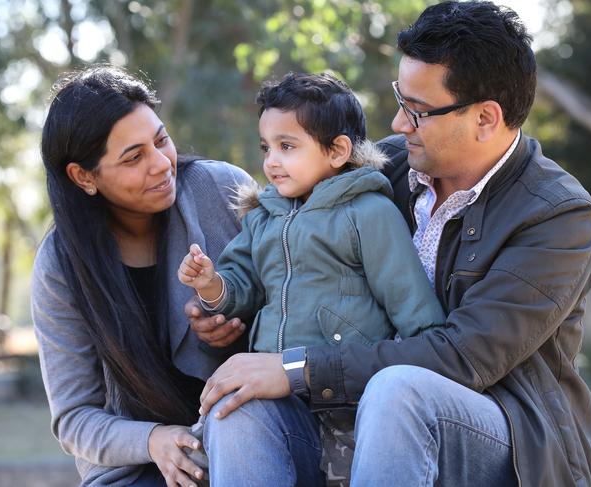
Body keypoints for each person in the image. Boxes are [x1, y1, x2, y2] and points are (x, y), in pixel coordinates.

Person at [189, 2, 591, 486]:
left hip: (508, 436)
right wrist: (227, 307)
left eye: (419, 111)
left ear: (486, 118)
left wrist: (299, 369)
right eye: (400, 100)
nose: (400, 124)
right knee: (238, 406)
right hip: (350, 412)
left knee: (398, 389)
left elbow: (466, 357)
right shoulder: (379, 167)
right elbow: (296, 255)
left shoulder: (556, 214)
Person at [179, 72, 445, 483]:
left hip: (345, 398)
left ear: (337, 150)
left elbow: (410, 303)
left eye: (287, 147)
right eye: (266, 147)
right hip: (273, 395)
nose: (271, 161)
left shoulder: (368, 213)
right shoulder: (264, 217)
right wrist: (211, 284)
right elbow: (243, 285)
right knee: (229, 411)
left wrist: (419, 361)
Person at [31, 66, 252, 486]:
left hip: (246, 430)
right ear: (83, 177)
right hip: (137, 467)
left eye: (161, 140)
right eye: (133, 157)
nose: (161, 164)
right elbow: (74, 417)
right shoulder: (60, 266)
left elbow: (289, 297)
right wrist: (153, 440)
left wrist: (235, 317)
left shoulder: (223, 190)